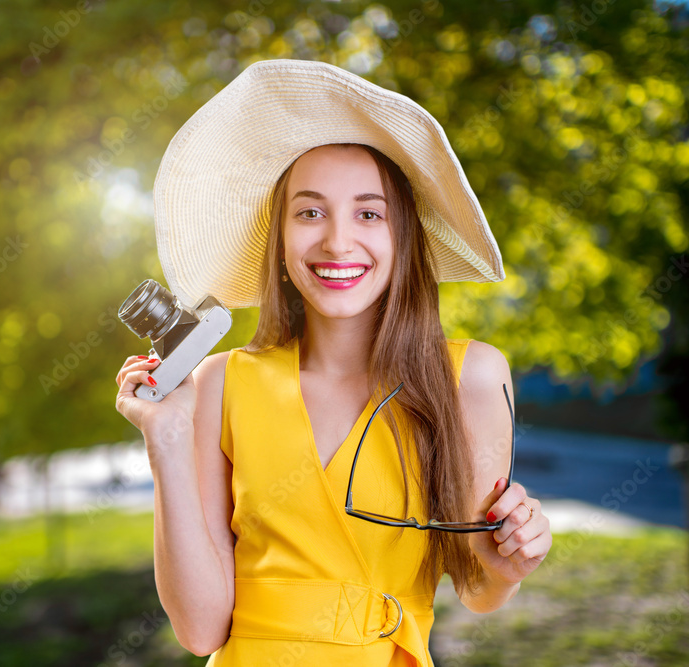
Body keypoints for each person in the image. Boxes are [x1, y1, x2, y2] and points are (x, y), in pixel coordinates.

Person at [114, 59, 552, 666]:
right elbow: (200, 630)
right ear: (281, 239)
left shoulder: (469, 378)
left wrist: (509, 565)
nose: (338, 242)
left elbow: (479, 589)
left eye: (368, 214)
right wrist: (166, 439)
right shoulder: (220, 382)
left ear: (404, 235)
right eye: (310, 212)